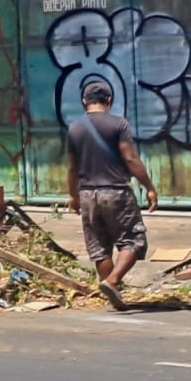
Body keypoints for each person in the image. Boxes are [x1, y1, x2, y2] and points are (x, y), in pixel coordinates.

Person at [66, 80, 158, 311]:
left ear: (84, 101)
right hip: (116, 191)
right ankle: (113, 281)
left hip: (87, 194)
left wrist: (74, 196)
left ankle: (112, 291)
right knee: (134, 240)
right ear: (109, 100)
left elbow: (72, 168)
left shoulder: (75, 128)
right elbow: (130, 159)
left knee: (98, 246)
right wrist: (149, 186)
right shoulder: (119, 124)